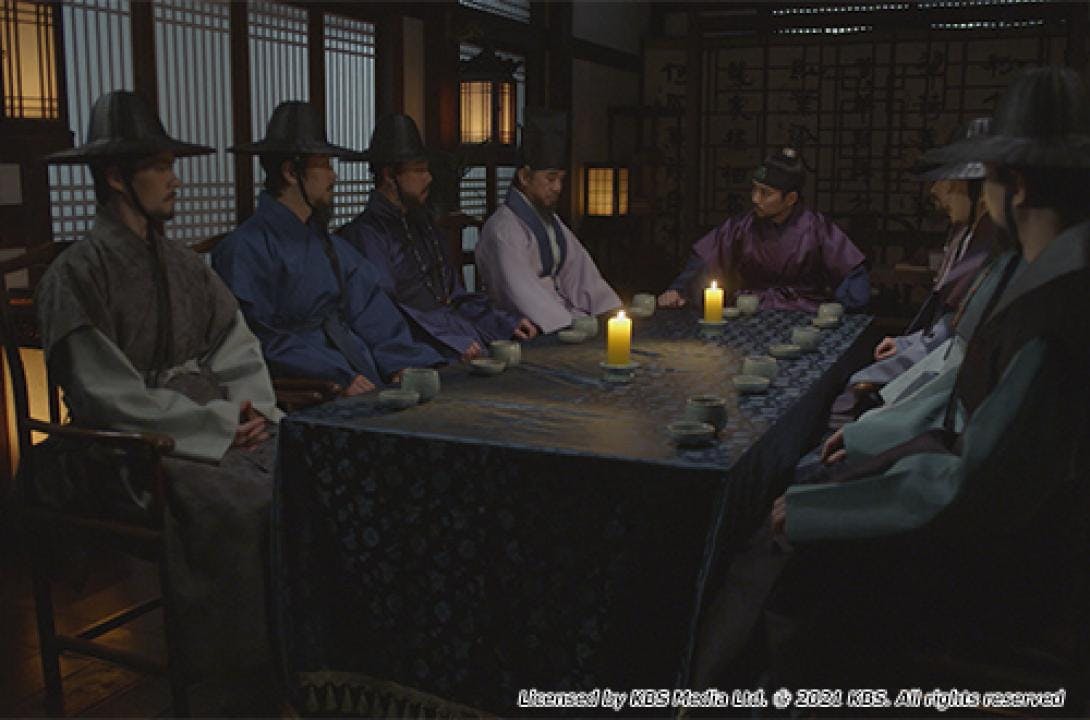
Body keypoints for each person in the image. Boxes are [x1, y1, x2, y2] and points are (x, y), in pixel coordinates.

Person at [695, 66, 1090, 690]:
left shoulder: (1052, 310)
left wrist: (824, 508)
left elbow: (973, 488)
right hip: (986, 501)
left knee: (781, 543)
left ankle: (719, 696)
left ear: (1013, 186)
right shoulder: (1048, 276)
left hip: (1001, 558)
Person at [35, 91, 283, 709]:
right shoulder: (75, 274)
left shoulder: (184, 264)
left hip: (212, 421)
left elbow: (236, 347)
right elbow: (105, 394)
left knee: (298, 470)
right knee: (240, 502)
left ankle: (298, 651)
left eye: (173, 165)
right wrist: (216, 425)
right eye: (160, 167)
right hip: (128, 447)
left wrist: (251, 410)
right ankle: (232, 677)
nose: (175, 180)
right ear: (116, 176)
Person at [212, 102, 444, 393]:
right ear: (291, 172)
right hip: (310, 384)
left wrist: (400, 363)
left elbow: (370, 306)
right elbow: (258, 337)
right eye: (324, 165)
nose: (333, 177)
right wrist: (336, 376)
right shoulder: (244, 249)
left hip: (358, 367)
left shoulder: (330, 246)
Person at [339, 114, 537, 361]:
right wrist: (452, 342)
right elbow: (386, 314)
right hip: (421, 349)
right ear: (390, 175)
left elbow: (455, 296)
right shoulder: (366, 235)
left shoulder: (423, 224)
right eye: (419, 170)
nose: (429, 178)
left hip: (460, 335)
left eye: (427, 169)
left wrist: (503, 322)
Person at [851, 118, 996, 387]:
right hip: (935, 348)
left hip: (955, 369)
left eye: (950, 180)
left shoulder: (995, 251)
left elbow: (956, 332)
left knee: (855, 388)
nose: (937, 190)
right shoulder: (963, 233)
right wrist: (905, 343)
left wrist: (907, 352)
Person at [658, 148, 870, 313]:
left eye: (765, 193)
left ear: (790, 199)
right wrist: (678, 289)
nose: (755, 199)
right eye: (754, 189)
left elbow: (851, 269)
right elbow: (705, 259)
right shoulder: (741, 227)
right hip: (748, 312)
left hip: (804, 313)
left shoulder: (816, 227)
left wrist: (846, 307)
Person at [476, 108, 622, 334]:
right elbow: (522, 292)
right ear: (525, 177)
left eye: (561, 179)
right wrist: (568, 325)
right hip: (527, 326)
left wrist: (609, 311)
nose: (558, 188)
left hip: (561, 316)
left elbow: (579, 271)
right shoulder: (503, 229)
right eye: (550, 179)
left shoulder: (550, 221)